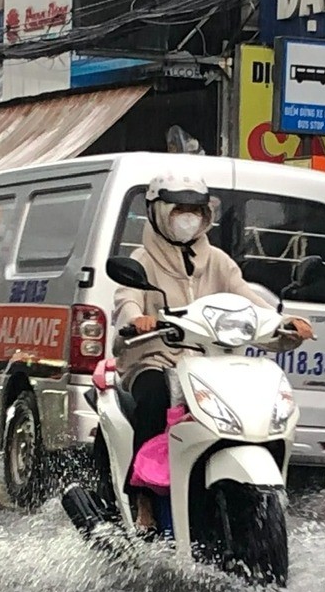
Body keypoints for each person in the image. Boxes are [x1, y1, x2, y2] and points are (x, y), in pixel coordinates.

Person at [111, 174, 313, 527]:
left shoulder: (218, 261)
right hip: (155, 360)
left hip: (210, 367)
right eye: (179, 209)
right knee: (155, 398)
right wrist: (138, 319)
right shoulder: (141, 259)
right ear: (158, 212)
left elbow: (249, 302)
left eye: (195, 209)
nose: (187, 216)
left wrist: (286, 325)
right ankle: (142, 497)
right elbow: (126, 300)